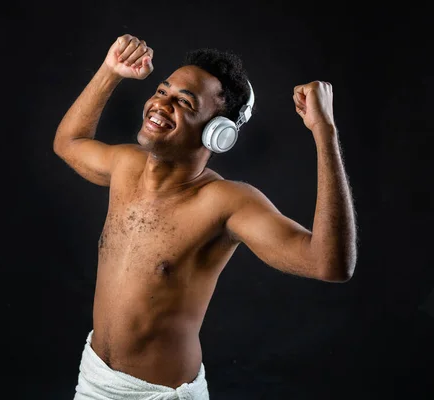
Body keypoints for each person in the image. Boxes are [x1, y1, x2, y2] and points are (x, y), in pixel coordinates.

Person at [54, 33, 357, 400]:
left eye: (183, 102)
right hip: (95, 381)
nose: (161, 105)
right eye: (162, 91)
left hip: (160, 395)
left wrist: (325, 132)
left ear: (218, 134)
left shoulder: (226, 203)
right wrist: (110, 71)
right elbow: (68, 143)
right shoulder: (125, 165)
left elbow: (330, 264)